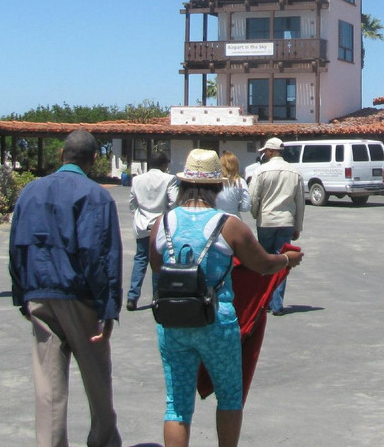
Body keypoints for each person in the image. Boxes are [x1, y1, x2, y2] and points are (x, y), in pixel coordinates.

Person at [150, 149, 303, 447]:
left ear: (183, 185)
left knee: (176, 405)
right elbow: (261, 265)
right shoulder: (227, 224)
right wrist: (286, 260)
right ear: (217, 186)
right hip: (216, 323)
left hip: (172, 323)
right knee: (230, 397)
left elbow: (158, 268)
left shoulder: (163, 223)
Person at [9, 130, 123, 447]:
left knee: (48, 381)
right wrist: (108, 307)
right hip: (79, 294)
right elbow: (98, 255)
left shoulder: (30, 192)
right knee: (96, 376)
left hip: (39, 292)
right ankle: (103, 440)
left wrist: (22, 294)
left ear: (62, 155)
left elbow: (16, 246)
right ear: (93, 160)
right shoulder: (95, 195)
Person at [248, 137, 305, 316]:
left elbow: (253, 198)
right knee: (282, 262)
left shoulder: (261, 171)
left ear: (271, 152)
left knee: (264, 263)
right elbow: (300, 203)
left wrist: (256, 215)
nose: (264, 154)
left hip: (266, 222)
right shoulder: (295, 172)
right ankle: (277, 304)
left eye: (265, 151)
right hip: (286, 222)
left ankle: (263, 302)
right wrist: (298, 226)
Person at [128, 150, 179, 311]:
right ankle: (157, 296)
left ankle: (132, 296)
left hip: (142, 224)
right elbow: (175, 201)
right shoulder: (169, 179)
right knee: (158, 261)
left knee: (140, 259)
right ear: (164, 165)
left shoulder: (137, 180)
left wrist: (139, 215)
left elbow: (132, 203)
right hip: (161, 225)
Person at [215, 151, 251, 216]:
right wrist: (236, 207)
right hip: (234, 217)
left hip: (216, 217)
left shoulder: (215, 181)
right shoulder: (240, 181)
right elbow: (246, 205)